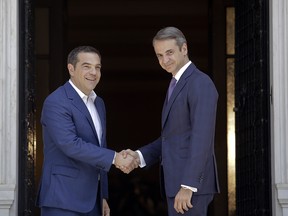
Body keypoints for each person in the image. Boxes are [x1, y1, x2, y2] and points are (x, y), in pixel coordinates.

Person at [124, 27, 220, 215]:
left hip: (189, 187)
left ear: (184, 49)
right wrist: (139, 156)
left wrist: (189, 185)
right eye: (159, 55)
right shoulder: (176, 84)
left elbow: (202, 137)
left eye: (169, 53)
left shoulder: (200, 82)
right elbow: (172, 138)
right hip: (177, 184)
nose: (164, 60)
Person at [36, 46, 138, 216]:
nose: (93, 72)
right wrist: (115, 158)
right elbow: (70, 144)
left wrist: (103, 196)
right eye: (86, 66)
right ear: (71, 69)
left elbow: (101, 146)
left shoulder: (99, 103)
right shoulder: (56, 101)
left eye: (97, 67)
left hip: (93, 202)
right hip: (63, 200)